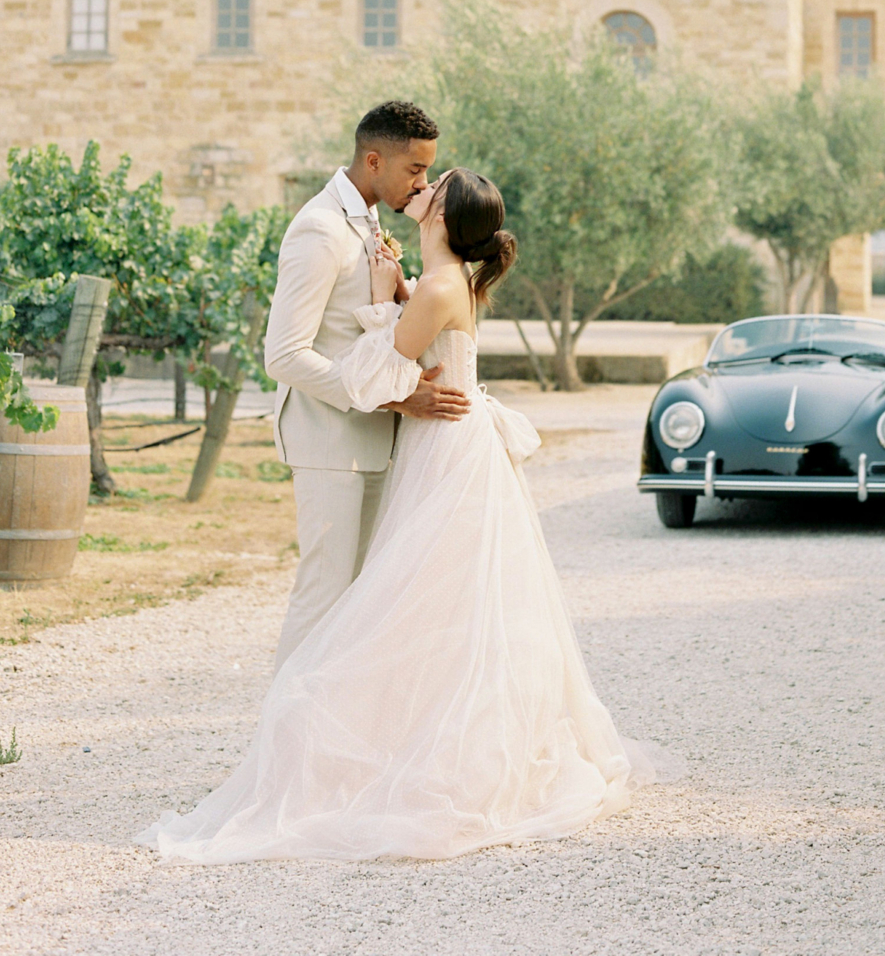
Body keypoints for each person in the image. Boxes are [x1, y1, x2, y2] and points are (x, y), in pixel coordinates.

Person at [136, 166, 654, 862]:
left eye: (432, 186)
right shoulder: (447, 282)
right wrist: (400, 289)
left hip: (444, 448)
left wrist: (383, 301)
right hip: (453, 444)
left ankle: (347, 743)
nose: (422, 187)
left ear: (441, 214)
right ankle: (414, 735)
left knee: (410, 598)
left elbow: (375, 371)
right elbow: (426, 327)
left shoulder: (441, 287)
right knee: (440, 603)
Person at [262, 101, 469, 670]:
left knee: (358, 601)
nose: (423, 183)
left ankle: (328, 739)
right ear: (373, 160)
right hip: (329, 442)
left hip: (376, 441)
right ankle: (286, 743)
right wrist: (399, 397)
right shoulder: (319, 229)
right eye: (414, 171)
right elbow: (284, 355)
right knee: (323, 596)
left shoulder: (370, 220)